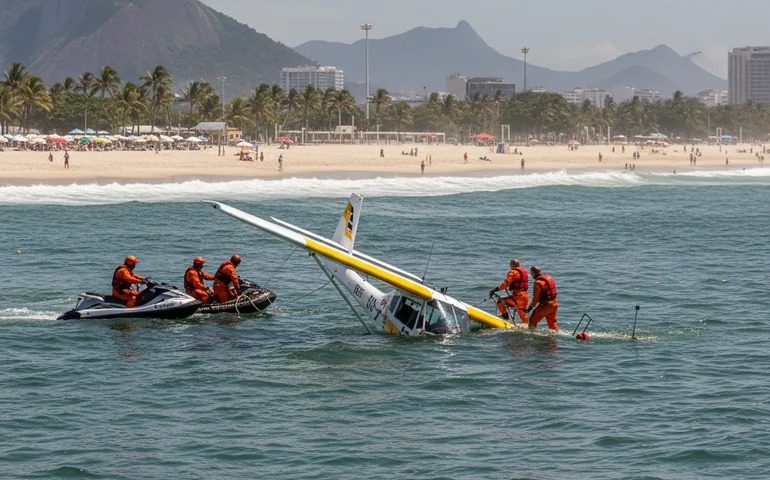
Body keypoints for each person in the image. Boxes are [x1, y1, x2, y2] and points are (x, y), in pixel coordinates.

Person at [526, 266, 559, 331]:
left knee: (532, 320)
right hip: (554, 304)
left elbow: (535, 299)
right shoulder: (549, 277)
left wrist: (529, 308)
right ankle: (555, 338)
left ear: (533, 273)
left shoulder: (538, 282)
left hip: (546, 305)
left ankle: (531, 337)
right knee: (552, 325)